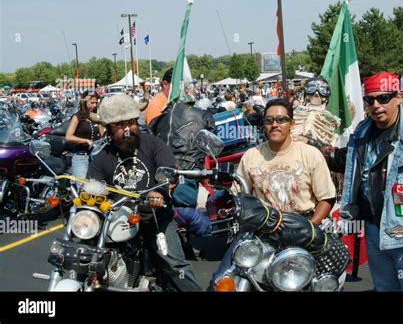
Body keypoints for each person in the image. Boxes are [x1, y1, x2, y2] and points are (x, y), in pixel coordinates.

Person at [298, 72, 403, 291]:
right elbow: (345, 160)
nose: (376, 105)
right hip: (374, 232)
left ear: (398, 96)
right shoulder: (363, 131)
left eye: (383, 98)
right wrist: (310, 143)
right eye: (370, 100)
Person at [208, 98, 336, 290]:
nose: (274, 124)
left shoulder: (310, 154)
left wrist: (308, 228)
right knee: (221, 282)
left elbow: (326, 198)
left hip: (302, 228)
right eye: (269, 120)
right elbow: (240, 195)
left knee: (325, 282)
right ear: (263, 125)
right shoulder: (251, 156)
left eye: (281, 119)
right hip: (260, 232)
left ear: (291, 124)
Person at [87, 94, 202, 291]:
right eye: (120, 124)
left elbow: (167, 168)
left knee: (175, 264)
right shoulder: (102, 157)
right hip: (118, 220)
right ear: (109, 128)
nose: (128, 129)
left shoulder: (153, 144)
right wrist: (86, 195)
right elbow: (92, 185)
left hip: (155, 217)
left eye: (131, 122)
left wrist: (160, 189)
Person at [66, 90, 104, 181]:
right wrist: (86, 141)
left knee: (98, 187)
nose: (94, 105)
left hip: (96, 156)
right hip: (81, 157)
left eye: (96, 103)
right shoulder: (77, 116)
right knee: (83, 188)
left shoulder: (97, 116)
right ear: (84, 102)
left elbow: (102, 135)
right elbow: (68, 137)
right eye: (92, 103)